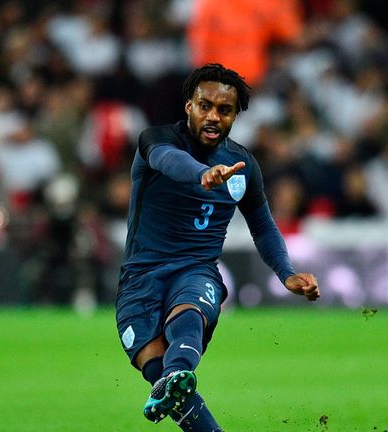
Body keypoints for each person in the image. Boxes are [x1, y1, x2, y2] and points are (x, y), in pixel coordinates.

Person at [115, 63, 320, 431]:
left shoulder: (242, 166)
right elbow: (169, 162)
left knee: (189, 310)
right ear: (188, 106)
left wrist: (286, 272)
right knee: (157, 372)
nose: (213, 116)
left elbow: (263, 226)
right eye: (205, 105)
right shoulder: (155, 140)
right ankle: (173, 381)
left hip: (196, 269)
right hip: (141, 277)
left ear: (235, 115)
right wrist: (200, 173)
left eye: (224, 110)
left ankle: (177, 373)